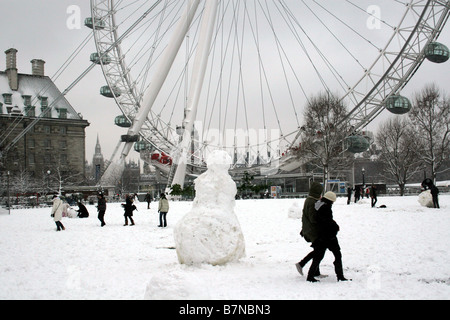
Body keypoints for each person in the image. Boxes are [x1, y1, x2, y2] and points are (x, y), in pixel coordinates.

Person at [307, 191, 349, 282]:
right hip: (328, 236)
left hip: (322, 235)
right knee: (337, 254)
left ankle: (310, 276)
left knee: (318, 256)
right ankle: (340, 276)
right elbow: (327, 222)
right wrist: (335, 227)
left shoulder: (319, 205)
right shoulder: (325, 208)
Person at [296, 181, 324, 277]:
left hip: (308, 229)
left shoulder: (309, 200)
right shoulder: (313, 202)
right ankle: (301, 264)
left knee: (318, 250)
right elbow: (313, 218)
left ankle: (316, 271)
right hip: (312, 231)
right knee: (319, 251)